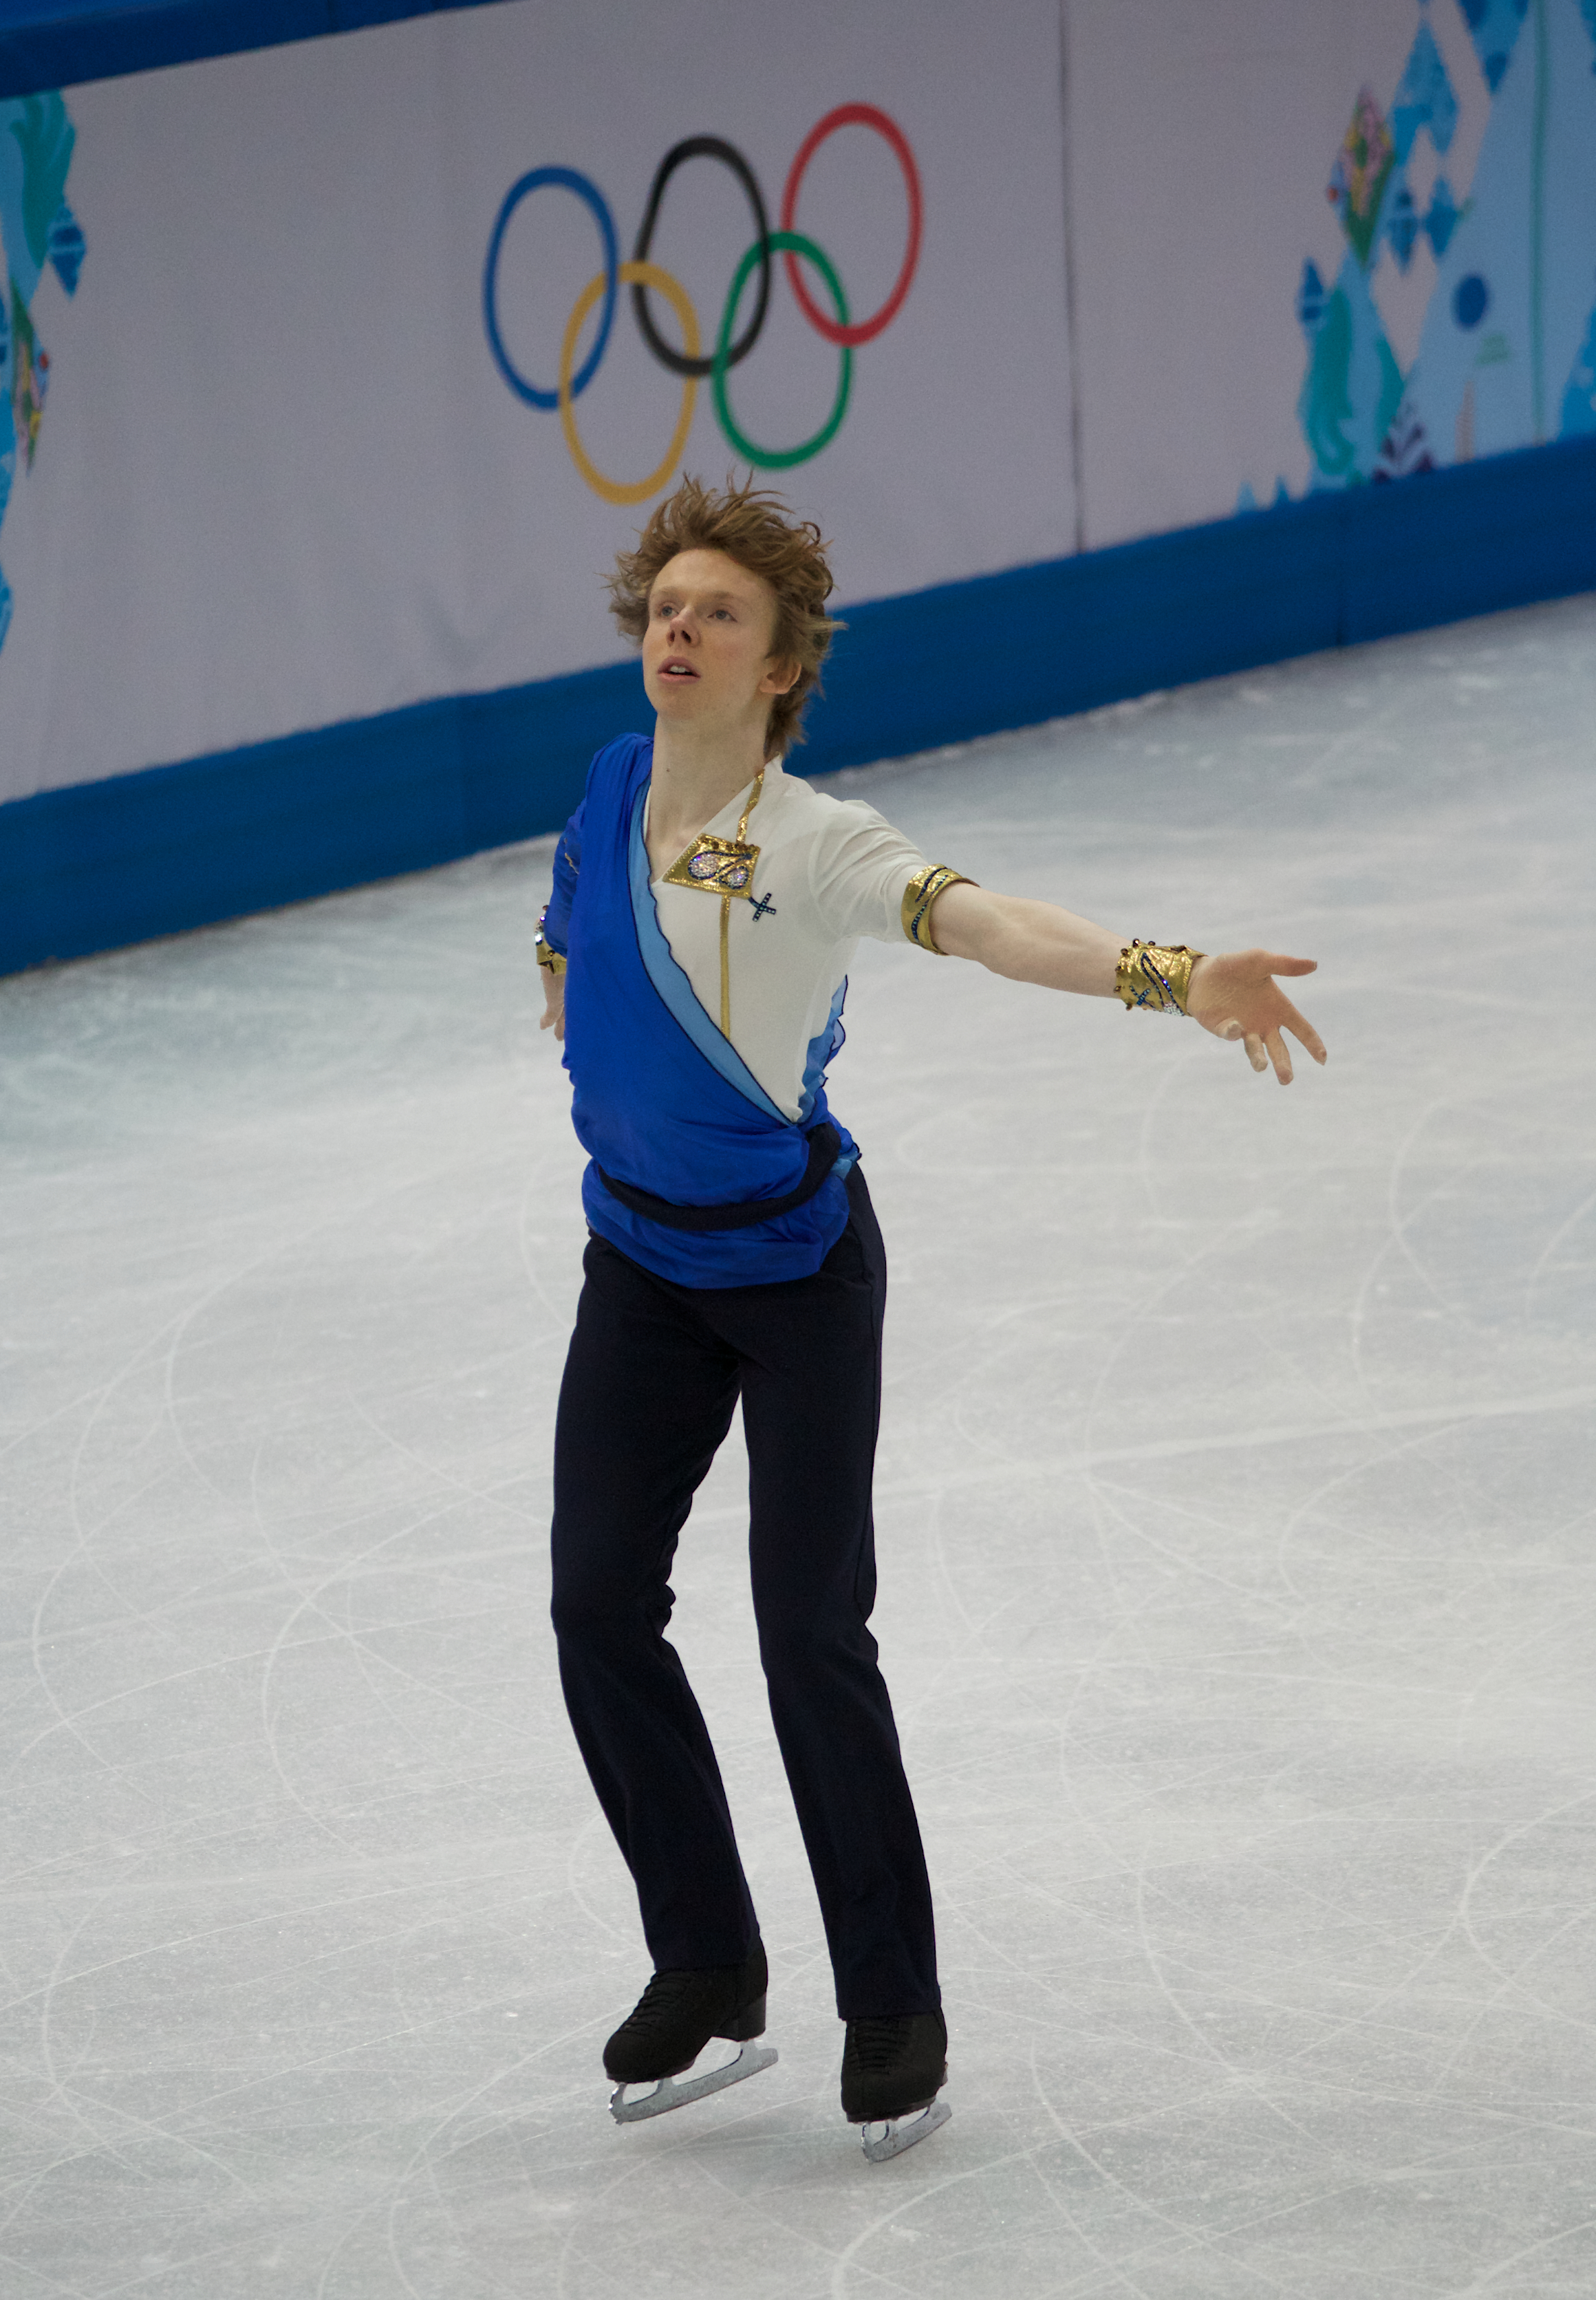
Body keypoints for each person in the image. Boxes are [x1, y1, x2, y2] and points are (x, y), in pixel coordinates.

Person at [537, 475, 1326, 2162]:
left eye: (718, 613)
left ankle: (891, 1998)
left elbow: (990, 927)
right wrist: (576, 1006)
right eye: (666, 605)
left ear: (776, 669)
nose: (679, 627)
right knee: (594, 1602)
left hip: (797, 1277)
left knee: (806, 1634)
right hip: (640, 1272)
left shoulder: (817, 841)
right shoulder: (605, 788)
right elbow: (564, 936)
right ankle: (706, 1960)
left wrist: (1172, 973)